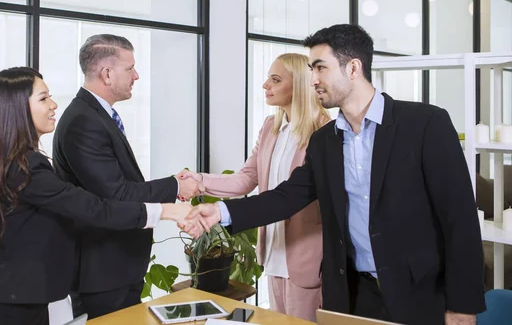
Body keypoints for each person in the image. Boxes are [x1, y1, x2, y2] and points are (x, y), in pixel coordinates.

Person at [182, 24, 486, 325]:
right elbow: (287, 197)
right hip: (354, 296)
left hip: (420, 293)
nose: (312, 79)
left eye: (320, 68)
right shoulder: (324, 140)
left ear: (353, 68)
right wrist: (220, 211)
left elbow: (459, 220)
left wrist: (462, 305)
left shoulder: (425, 124)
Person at [0, 67, 193, 325]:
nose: (54, 105)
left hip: (20, 301)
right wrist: (166, 210)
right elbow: (93, 208)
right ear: (17, 108)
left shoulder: (15, 162)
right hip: (13, 309)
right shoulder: (28, 167)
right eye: (43, 98)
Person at [52, 34, 200, 319]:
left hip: (115, 267)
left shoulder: (95, 115)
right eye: (130, 68)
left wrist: (173, 183)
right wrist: (176, 187)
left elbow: (118, 184)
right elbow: (116, 195)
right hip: (103, 270)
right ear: (107, 74)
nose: (137, 75)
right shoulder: (84, 122)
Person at [178, 53, 330, 321]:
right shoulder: (271, 126)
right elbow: (246, 178)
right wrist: (198, 180)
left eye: (275, 79)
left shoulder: (324, 132)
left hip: (306, 257)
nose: (265, 85)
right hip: (274, 251)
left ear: (300, 85)